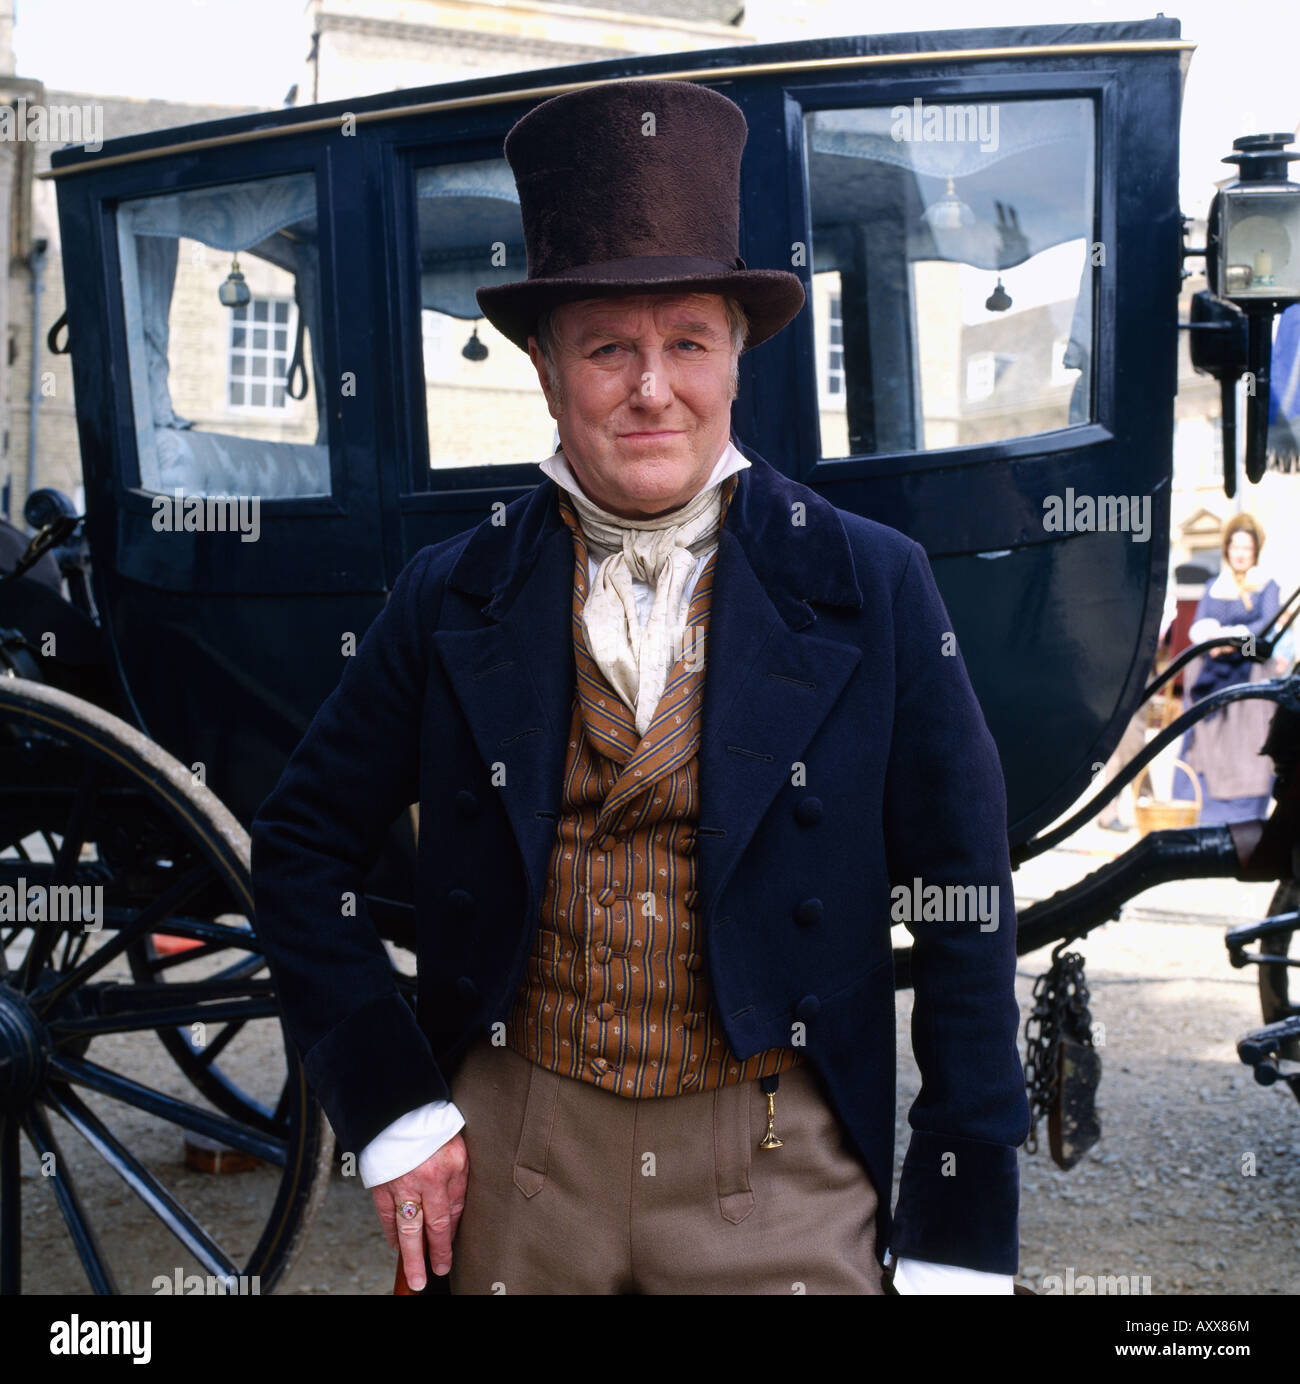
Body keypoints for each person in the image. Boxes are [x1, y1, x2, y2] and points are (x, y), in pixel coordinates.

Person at [250, 78, 1028, 1295]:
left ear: (735, 362)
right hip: (514, 1168)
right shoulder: (449, 592)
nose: (651, 386)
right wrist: (397, 1108)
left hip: (779, 1171)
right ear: (548, 371)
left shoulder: (872, 585)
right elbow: (297, 849)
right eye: (609, 345)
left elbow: (965, 891)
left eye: (687, 343)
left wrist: (958, 1215)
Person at [1172, 514, 1281, 824]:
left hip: (1250, 672)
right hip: (1214, 671)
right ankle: (1204, 809)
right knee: (1206, 738)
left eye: (1246, 547)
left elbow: (1267, 626)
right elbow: (1198, 624)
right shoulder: (1214, 585)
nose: (1240, 553)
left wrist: (1235, 641)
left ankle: (1244, 813)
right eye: (1235, 546)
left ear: (1255, 550)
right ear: (1227, 549)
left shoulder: (1267, 585)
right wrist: (1213, 639)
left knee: (1248, 743)